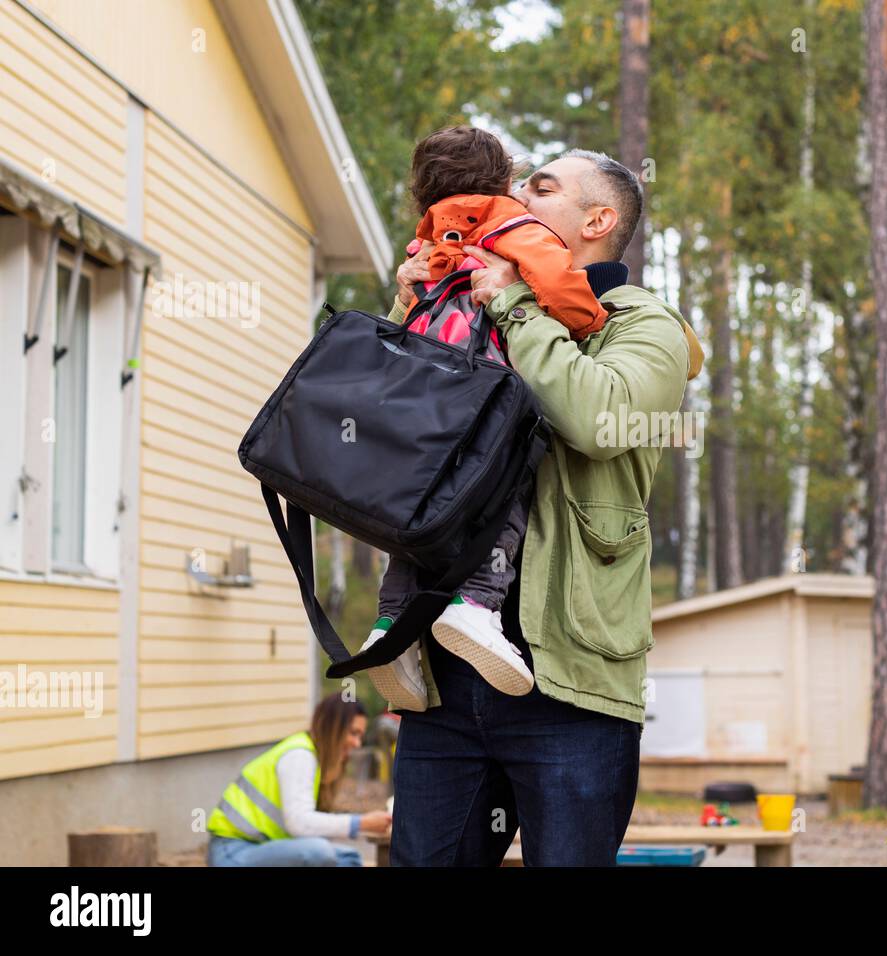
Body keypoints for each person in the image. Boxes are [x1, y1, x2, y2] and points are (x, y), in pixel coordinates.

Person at [385, 148, 704, 866]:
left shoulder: (648, 328)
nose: (516, 194)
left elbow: (598, 418)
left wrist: (515, 302)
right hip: (450, 668)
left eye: (542, 185)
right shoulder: (473, 296)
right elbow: (393, 434)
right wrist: (407, 310)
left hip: (574, 683)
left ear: (598, 220)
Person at [360, 125, 616, 707]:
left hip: (420, 397)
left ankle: (390, 626)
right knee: (506, 495)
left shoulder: (426, 243)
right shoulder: (513, 228)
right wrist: (586, 323)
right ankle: (475, 606)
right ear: (502, 181)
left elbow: (405, 320)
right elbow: (559, 283)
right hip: (484, 396)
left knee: (418, 511)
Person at [205, 693, 391, 866]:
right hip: (232, 853)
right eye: (353, 733)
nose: (357, 743)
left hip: (263, 848)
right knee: (320, 851)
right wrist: (360, 823)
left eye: (360, 735)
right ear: (332, 727)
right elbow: (299, 823)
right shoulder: (299, 755)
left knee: (349, 858)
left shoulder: (312, 757)